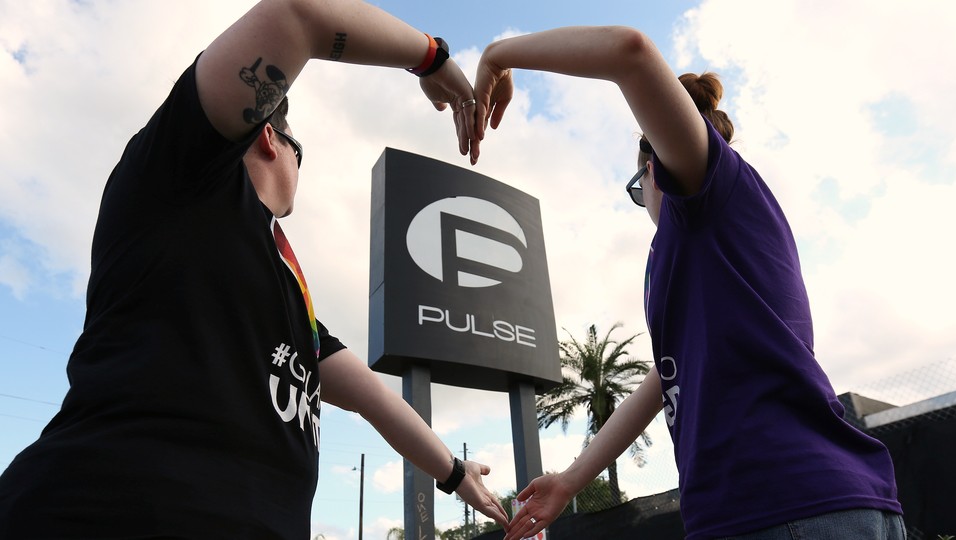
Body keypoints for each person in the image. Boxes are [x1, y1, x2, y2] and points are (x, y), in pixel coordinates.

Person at [0, 1, 509, 538]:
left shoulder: (287, 289)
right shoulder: (183, 175)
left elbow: (373, 399)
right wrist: (433, 60)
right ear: (270, 136)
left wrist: (454, 473)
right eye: (301, 153)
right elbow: (299, 13)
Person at [471, 27, 905, 540]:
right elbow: (662, 380)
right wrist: (570, 480)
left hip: (782, 504)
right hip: (785, 506)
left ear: (653, 170)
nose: (645, 202)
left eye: (638, 189)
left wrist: (498, 55)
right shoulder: (700, 253)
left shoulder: (708, 194)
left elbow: (628, 52)